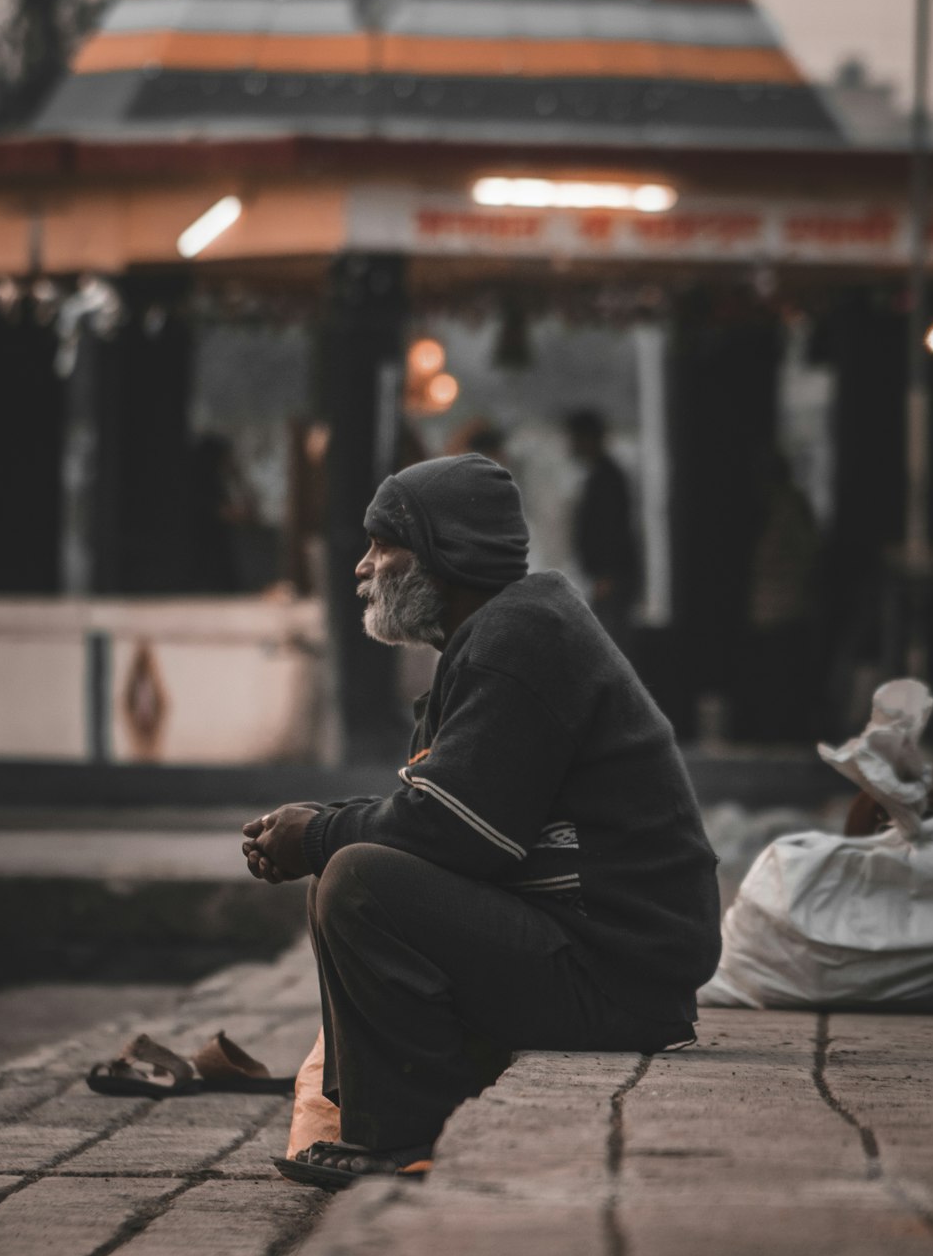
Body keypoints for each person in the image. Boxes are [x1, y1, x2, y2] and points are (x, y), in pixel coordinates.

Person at [242, 453, 720, 1188]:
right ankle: (389, 1120)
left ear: (445, 553)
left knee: (358, 880)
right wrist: (321, 825)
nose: (364, 568)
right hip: (605, 961)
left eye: (384, 546)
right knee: (349, 868)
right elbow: (438, 812)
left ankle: (410, 1136)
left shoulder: (519, 639)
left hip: (617, 980)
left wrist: (318, 834)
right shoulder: (507, 631)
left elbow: (462, 834)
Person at [565, 408, 641, 651]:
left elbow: (611, 530)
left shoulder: (606, 478)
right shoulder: (604, 475)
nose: (571, 445)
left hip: (611, 577)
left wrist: (606, 574)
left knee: (611, 647)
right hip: (609, 576)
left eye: (575, 438)